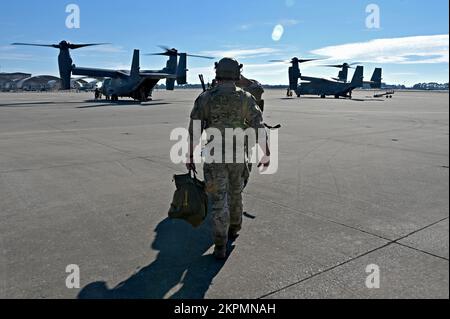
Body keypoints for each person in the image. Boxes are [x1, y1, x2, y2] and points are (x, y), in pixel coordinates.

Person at [186, 58, 270, 260]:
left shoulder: (205, 98)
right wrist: (266, 153)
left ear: (217, 73)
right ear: (236, 74)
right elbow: (258, 127)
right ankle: (234, 229)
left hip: (215, 158)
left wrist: (190, 155)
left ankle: (220, 245)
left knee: (218, 202)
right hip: (239, 156)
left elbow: (194, 131)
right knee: (235, 194)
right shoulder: (246, 98)